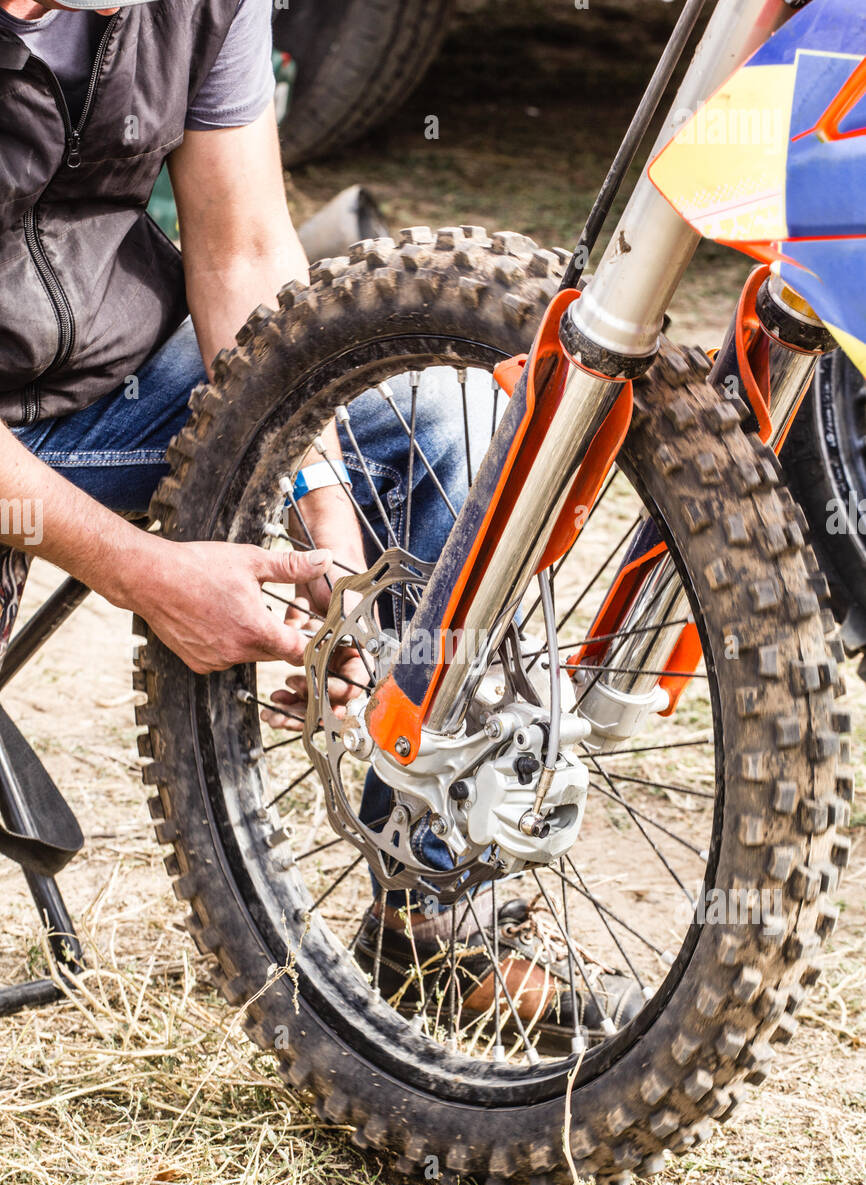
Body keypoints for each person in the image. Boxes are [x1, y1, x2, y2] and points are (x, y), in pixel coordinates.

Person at [0, 0, 639, 1040]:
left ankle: (437, 917)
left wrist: (330, 530)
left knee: (447, 418)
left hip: (122, 370)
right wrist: (140, 572)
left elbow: (246, 255)